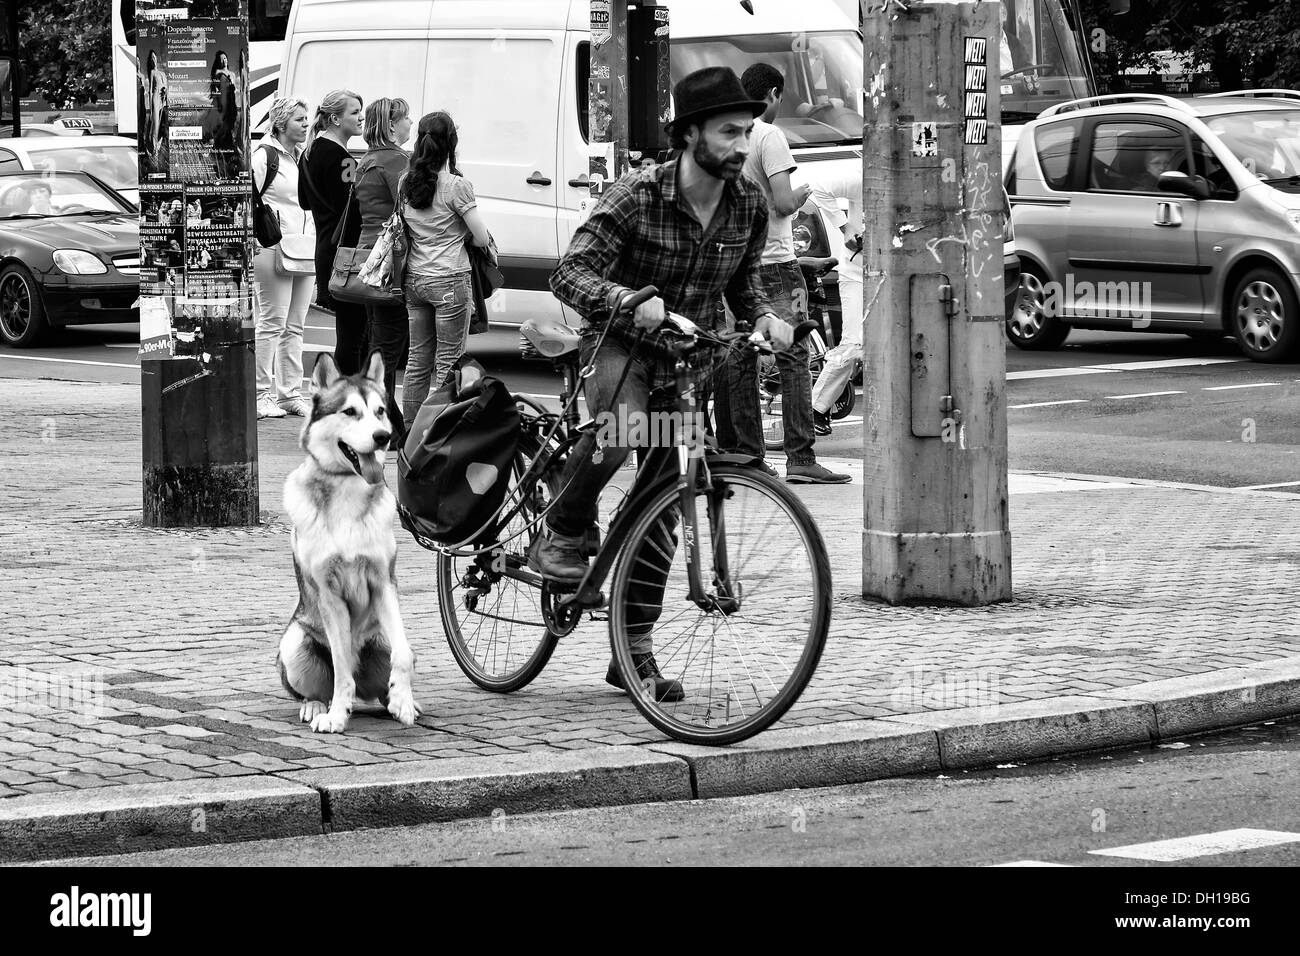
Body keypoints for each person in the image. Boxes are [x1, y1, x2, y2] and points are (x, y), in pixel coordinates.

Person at [541, 66, 794, 701]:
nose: (742, 145)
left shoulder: (748, 205)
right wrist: (627, 300)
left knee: (662, 508)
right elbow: (569, 274)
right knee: (621, 434)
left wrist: (765, 316)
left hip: (689, 368)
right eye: (729, 132)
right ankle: (565, 526)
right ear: (689, 134)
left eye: (749, 131)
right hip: (623, 351)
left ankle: (633, 652)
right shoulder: (636, 198)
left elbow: (742, 284)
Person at [738, 62, 849, 484]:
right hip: (776, 262)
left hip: (739, 264)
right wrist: (803, 195)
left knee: (740, 357)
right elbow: (783, 204)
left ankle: (745, 456)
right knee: (794, 358)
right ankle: (801, 458)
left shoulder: (731, 134)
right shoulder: (770, 136)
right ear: (771, 94)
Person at [398, 110, 491, 426]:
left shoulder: (405, 183)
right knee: (449, 363)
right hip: (450, 279)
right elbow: (480, 238)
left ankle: (410, 431)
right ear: (451, 142)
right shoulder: (456, 186)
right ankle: (442, 430)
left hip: (414, 279)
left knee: (417, 360)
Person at [252, 97, 316, 420]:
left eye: (306, 118)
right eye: (299, 119)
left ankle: (290, 393)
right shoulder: (264, 156)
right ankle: (260, 392)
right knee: (272, 322)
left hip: (304, 247)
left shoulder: (303, 156)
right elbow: (249, 197)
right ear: (280, 124)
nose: (306, 124)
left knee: (295, 325)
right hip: (272, 247)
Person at [299, 89, 369, 374]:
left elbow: (305, 201)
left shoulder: (310, 151)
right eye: (354, 112)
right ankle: (349, 399)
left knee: (350, 332)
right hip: (347, 254)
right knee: (354, 337)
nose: (361, 117)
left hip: (325, 250)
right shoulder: (343, 159)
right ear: (335, 119)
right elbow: (353, 213)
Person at [356, 97, 414, 437]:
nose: (410, 124)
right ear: (392, 125)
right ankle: (382, 423)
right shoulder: (396, 161)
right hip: (388, 261)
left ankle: (386, 421)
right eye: (406, 118)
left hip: (367, 257)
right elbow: (408, 210)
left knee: (379, 342)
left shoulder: (367, 160)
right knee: (387, 350)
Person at [806, 165, 863, 435]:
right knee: (856, 343)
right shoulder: (865, 176)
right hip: (858, 273)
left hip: (900, 274)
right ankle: (816, 408)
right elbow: (820, 188)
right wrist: (846, 228)